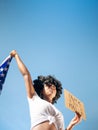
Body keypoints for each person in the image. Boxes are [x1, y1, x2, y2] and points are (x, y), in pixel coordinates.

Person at [10, 50, 82, 130]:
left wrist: (71, 125)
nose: (51, 87)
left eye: (54, 87)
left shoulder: (60, 114)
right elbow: (26, 75)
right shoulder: (34, 98)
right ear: (41, 90)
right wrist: (16, 56)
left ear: (56, 94)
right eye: (48, 85)